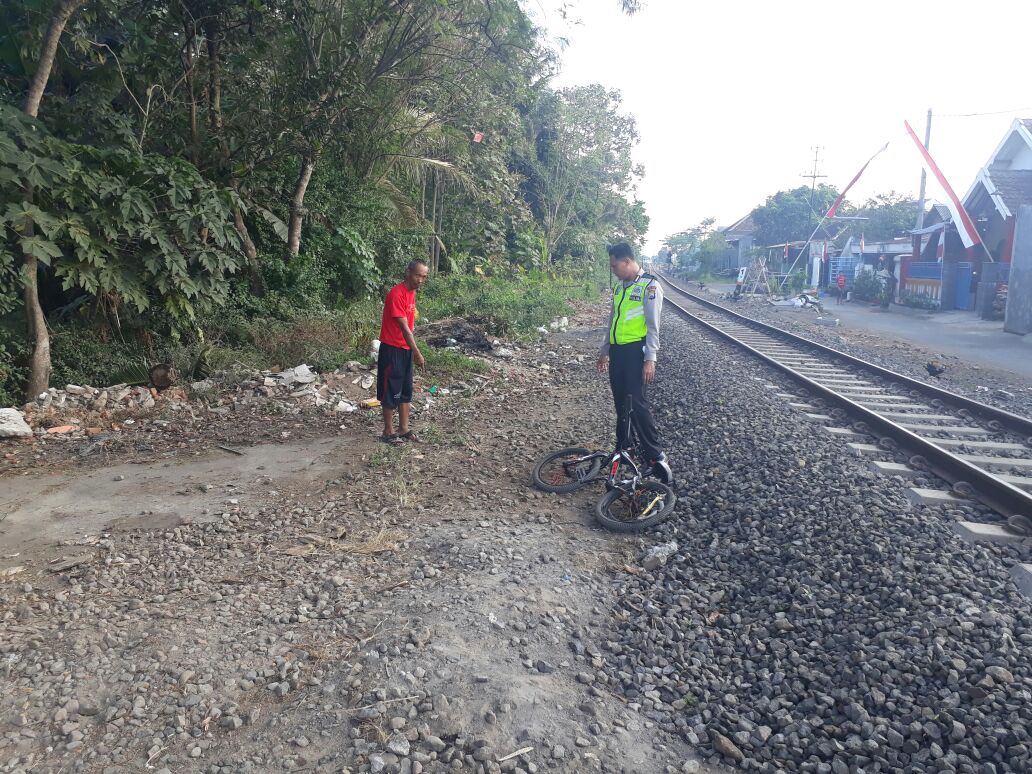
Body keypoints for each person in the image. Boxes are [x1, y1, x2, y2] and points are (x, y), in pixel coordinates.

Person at [596, 243, 672, 484]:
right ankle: (623, 447)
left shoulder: (649, 286)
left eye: (615, 265)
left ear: (627, 261)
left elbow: (653, 327)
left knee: (637, 403)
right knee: (620, 402)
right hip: (618, 352)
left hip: (635, 353)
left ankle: (655, 455)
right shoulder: (620, 288)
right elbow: (612, 321)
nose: (614, 270)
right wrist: (604, 350)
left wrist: (650, 358)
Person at [377, 259, 429, 444]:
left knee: (405, 389)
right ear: (408, 272)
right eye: (418, 275)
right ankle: (388, 431)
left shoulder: (412, 293)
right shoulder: (396, 294)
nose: (420, 280)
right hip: (392, 348)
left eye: (424, 277)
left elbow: (410, 325)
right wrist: (417, 352)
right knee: (390, 389)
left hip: (405, 348)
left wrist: (411, 350)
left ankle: (404, 428)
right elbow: (405, 328)